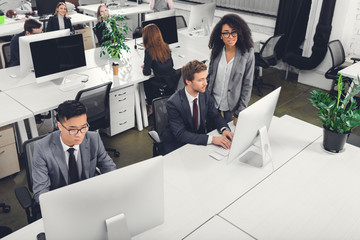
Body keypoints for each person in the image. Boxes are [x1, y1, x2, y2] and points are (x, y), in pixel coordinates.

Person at [32, 100, 117, 203]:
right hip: (60, 201)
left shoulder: (94, 139)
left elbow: (110, 169)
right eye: (73, 130)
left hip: (88, 198)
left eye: (83, 127)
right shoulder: (42, 148)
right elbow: (41, 192)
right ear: (60, 126)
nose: (79, 134)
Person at [160, 60, 234, 155]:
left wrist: (224, 129)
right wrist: (212, 139)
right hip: (178, 146)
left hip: (198, 141)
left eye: (205, 78)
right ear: (188, 81)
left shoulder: (204, 93)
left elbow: (215, 115)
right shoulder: (173, 103)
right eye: (200, 80)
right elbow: (181, 134)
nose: (205, 83)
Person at [207, 14, 255, 124]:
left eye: (234, 32)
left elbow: (247, 84)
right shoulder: (216, 50)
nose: (230, 36)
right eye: (226, 33)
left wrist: (240, 111)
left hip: (233, 107)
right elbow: (210, 77)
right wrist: (206, 101)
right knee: (212, 133)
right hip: (213, 103)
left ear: (239, 33)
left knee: (231, 135)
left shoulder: (247, 53)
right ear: (220, 36)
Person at [142, 24, 178, 116]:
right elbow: (171, 64)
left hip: (161, 82)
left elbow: (146, 72)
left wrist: (147, 65)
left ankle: (150, 106)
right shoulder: (166, 46)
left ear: (146, 37)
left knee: (146, 82)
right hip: (172, 81)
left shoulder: (148, 51)